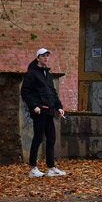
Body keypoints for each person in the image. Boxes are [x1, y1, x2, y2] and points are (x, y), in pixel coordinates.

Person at [20, 47, 67, 177]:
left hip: (49, 111)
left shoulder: (48, 74)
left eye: (47, 56)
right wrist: (34, 106)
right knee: (38, 138)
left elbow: (52, 92)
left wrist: (59, 107)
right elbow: (25, 92)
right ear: (38, 58)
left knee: (51, 138)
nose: (46, 58)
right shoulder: (31, 73)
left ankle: (51, 167)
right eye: (43, 56)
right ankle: (33, 168)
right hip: (39, 111)